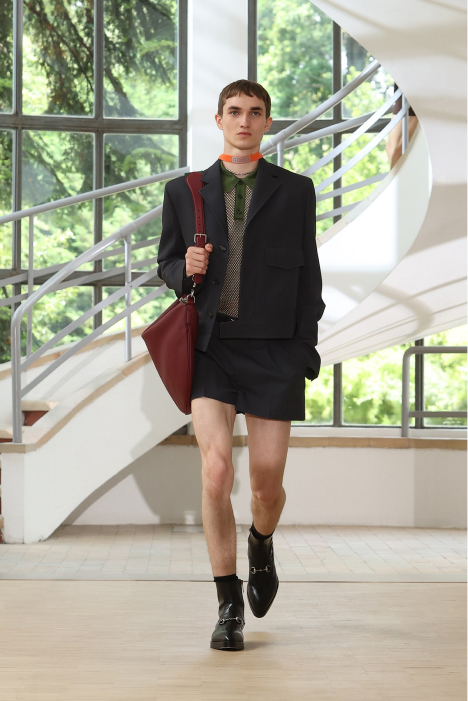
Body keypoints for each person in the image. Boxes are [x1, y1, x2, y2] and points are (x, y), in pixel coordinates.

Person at [156, 79, 325, 651]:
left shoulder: (296, 190)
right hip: (212, 347)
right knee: (216, 472)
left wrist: (304, 347)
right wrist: (184, 266)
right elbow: (166, 265)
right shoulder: (185, 191)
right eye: (234, 111)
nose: (244, 121)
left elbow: (309, 276)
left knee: (266, 482)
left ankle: (261, 542)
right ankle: (228, 603)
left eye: (255, 112)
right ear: (219, 120)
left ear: (268, 122)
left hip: (275, 350)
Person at [385, 82, 419, 168]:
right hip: (406, 82)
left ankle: (397, 177)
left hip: (414, 83)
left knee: (396, 149)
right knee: (393, 149)